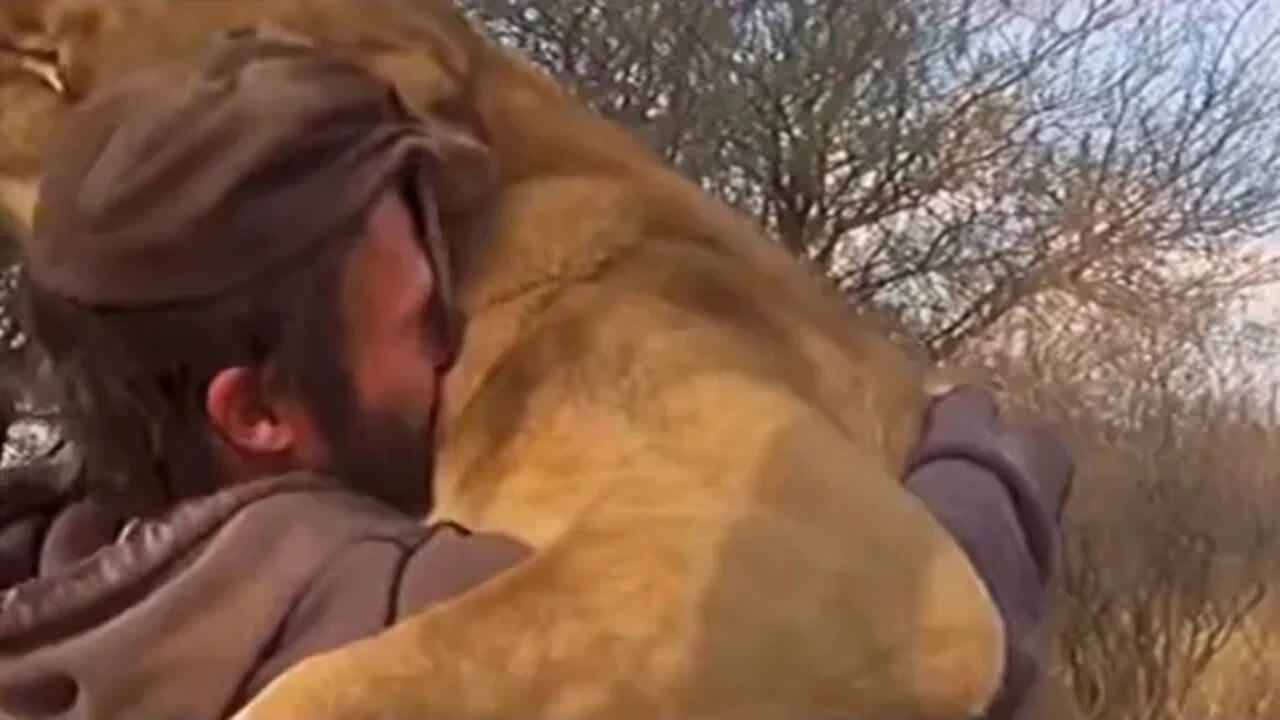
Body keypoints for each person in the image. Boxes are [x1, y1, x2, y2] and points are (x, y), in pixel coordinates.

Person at [0, 32, 1072, 720]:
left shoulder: (49, 580)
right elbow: (911, 636)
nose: (452, 346)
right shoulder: (392, 603)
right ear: (258, 409)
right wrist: (982, 470)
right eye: (416, 321)